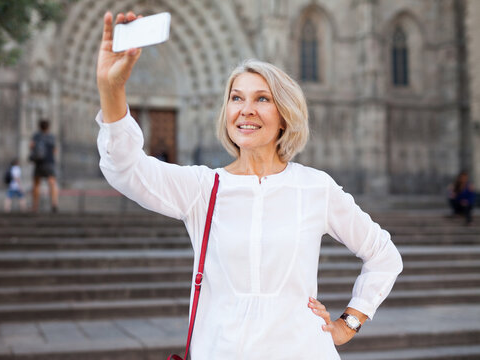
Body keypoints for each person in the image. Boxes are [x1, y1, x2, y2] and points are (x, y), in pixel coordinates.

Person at [95, 11, 403, 359]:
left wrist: (350, 322)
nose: (246, 110)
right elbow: (124, 168)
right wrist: (112, 89)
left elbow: (384, 254)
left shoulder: (314, 187)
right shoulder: (202, 188)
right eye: (236, 98)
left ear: (285, 113)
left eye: (262, 99)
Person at [29, 119, 58, 213]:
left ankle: (35, 206)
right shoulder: (51, 137)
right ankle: (54, 203)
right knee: (52, 183)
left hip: (39, 163)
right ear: (48, 127)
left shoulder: (36, 136)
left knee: (37, 184)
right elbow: (55, 150)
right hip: (49, 163)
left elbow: (31, 146)